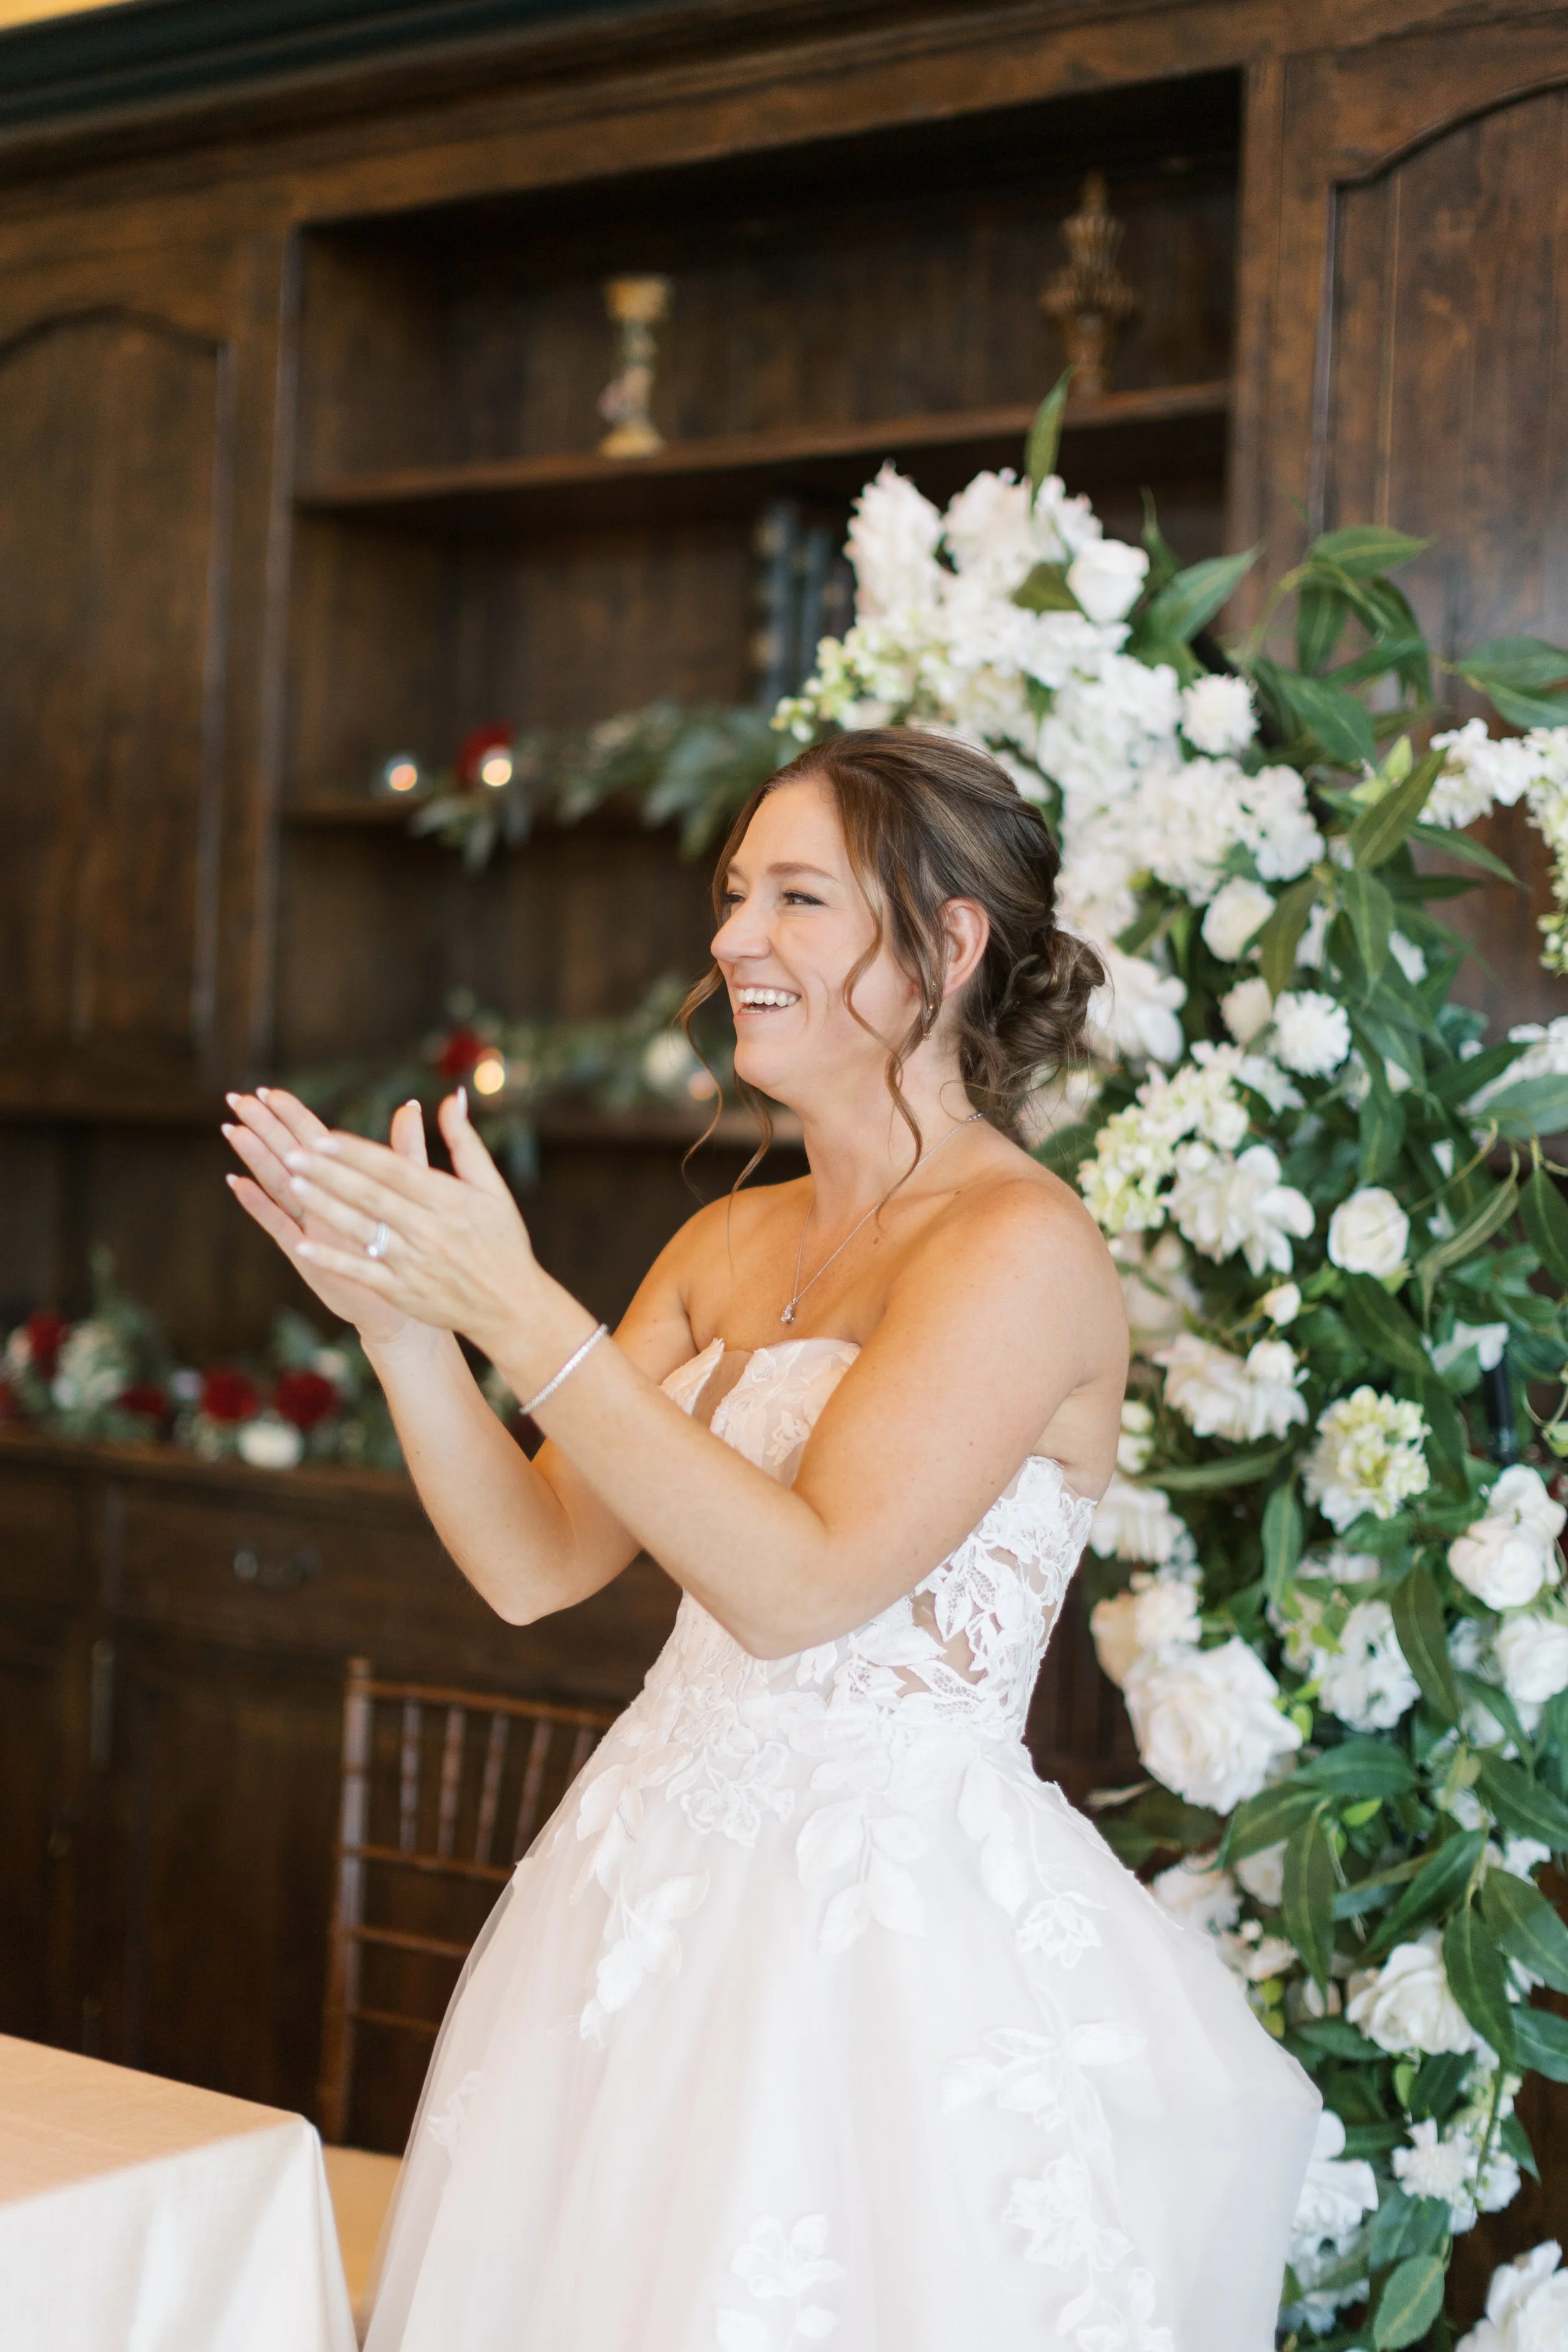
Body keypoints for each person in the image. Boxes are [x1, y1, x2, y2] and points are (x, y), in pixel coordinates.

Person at [223, 729, 1318, 2352]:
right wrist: (404, 1332)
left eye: (797, 896)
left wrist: (516, 1306)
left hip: (878, 1953)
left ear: (944, 945)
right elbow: (535, 1560)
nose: (732, 936)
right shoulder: (726, 1238)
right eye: (735, 892)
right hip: (643, 1891)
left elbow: (801, 1583)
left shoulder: (1020, 1245)